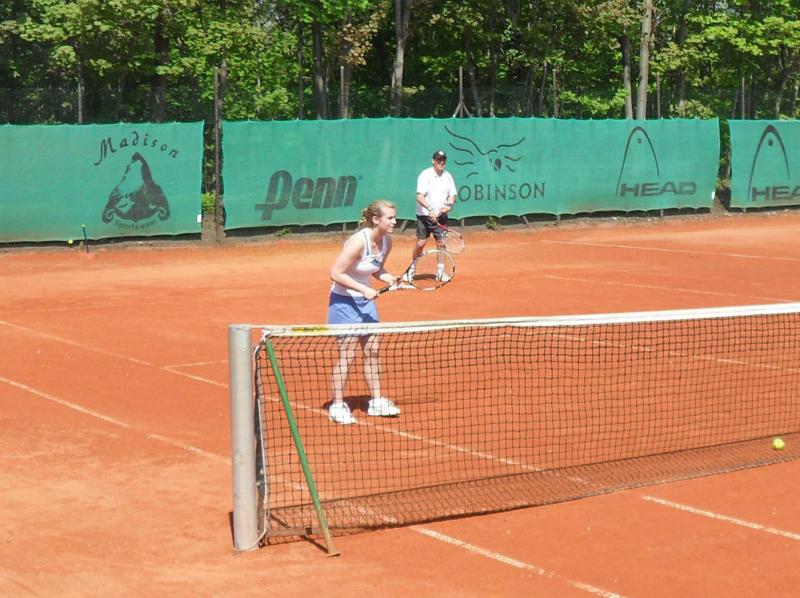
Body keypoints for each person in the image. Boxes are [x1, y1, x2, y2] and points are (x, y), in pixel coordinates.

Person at [327, 200, 402, 425]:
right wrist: (363, 289)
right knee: (348, 355)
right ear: (376, 219)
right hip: (343, 302)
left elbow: (377, 270)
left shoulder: (387, 242)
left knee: (373, 351)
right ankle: (337, 405)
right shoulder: (359, 242)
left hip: (365, 303)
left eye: (394, 217)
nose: (395, 221)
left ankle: (376, 401)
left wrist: (390, 278)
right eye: (390, 218)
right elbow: (336, 273)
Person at [407, 149, 458, 282]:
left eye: (443, 160)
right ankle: (411, 268)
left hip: (441, 216)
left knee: (441, 243)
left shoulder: (447, 176)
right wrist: (430, 209)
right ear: (433, 161)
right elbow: (419, 196)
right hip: (424, 215)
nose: (442, 162)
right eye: (439, 160)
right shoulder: (425, 175)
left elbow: (452, 195)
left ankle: (440, 272)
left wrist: (449, 205)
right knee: (421, 243)